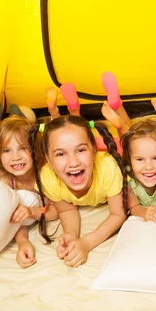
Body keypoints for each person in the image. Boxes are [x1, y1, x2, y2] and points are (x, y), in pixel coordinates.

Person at [28, 115, 128, 268]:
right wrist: (71, 234)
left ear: (94, 150)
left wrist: (86, 243)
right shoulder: (47, 177)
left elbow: (117, 214)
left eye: (81, 150)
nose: (73, 162)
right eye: (61, 154)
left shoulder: (108, 167)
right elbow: (67, 209)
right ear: (48, 159)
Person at [0, 115, 58, 268]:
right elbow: (15, 219)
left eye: (23, 148)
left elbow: (55, 211)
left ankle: (16, 112)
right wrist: (22, 242)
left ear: (35, 150)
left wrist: (31, 211)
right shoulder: (5, 179)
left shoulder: (45, 174)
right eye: (6, 150)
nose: (15, 157)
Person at [120, 119, 156, 223]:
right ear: (130, 160)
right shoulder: (128, 180)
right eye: (140, 159)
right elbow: (134, 207)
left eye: (155, 158)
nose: (149, 167)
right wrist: (145, 214)